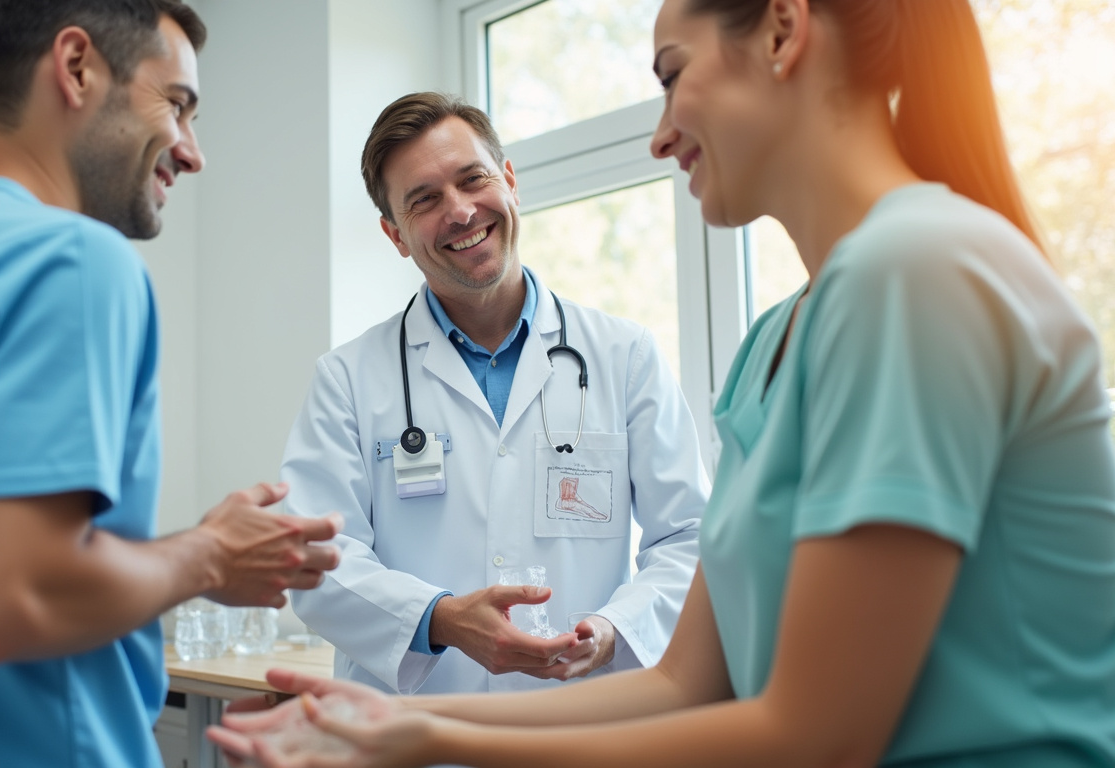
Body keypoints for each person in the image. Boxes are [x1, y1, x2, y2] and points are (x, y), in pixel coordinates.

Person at [211, 0, 1115, 766]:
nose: (660, 132)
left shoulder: (916, 272)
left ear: (782, 31)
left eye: (671, 75)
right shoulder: (776, 343)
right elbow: (692, 680)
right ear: (393, 232)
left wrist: (438, 729)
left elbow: (814, 729)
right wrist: (402, 712)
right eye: (422, 201)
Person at [0, 2, 342, 766]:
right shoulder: (68, 260)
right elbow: (12, 597)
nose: (193, 152)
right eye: (176, 105)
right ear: (77, 67)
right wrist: (210, 555)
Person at [281, 91, 710, 698]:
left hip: (580, 723)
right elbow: (317, 558)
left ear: (509, 182)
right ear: (395, 234)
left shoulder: (624, 356)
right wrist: (440, 620)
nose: (459, 212)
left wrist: (617, 628)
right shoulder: (348, 380)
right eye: (424, 200)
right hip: (417, 732)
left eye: (472, 179)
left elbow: (688, 536)